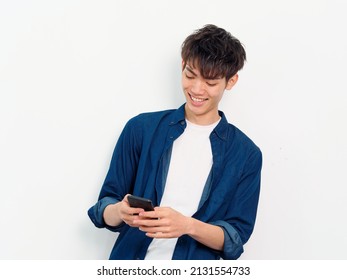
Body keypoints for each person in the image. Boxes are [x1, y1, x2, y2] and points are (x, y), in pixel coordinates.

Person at [88, 24, 262, 260]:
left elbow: (235, 238)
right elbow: (103, 210)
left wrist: (187, 226)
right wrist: (120, 211)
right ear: (182, 65)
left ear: (230, 81)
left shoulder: (246, 154)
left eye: (210, 83)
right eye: (190, 75)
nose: (197, 89)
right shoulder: (141, 129)